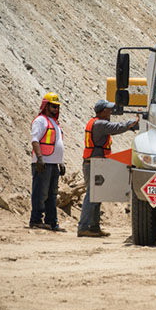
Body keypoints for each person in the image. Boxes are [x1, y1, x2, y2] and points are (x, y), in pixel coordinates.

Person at [77, 100, 139, 238]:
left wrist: (132, 125)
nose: (110, 112)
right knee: (92, 194)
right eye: (108, 110)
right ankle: (83, 227)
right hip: (93, 163)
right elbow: (117, 127)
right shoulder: (100, 124)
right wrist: (131, 122)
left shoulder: (97, 122)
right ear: (103, 111)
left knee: (97, 195)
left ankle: (93, 227)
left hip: (95, 163)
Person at [29, 92, 66, 231]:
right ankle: (36, 220)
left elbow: (57, 142)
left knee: (52, 194)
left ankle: (51, 221)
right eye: (53, 106)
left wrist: (61, 162)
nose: (55, 109)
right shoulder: (40, 120)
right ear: (46, 106)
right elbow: (35, 140)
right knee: (40, 192)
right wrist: (39, 158)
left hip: (53, 163)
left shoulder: (54, 122)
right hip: (43, 163)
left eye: (57, 106)